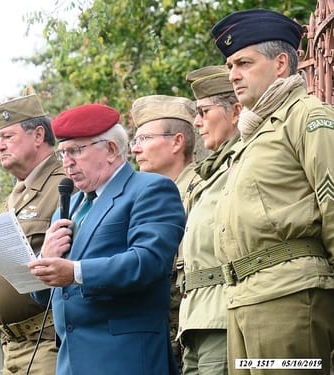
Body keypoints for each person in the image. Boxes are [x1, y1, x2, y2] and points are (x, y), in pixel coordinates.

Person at [211, 9, 334, 374]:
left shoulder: (308, 116)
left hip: (290, 297)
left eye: (244, 63)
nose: (233, 75)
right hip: (243, 298)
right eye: (231, 65)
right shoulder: (253, 133)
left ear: (281, 63)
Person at [27, 103, 186, 375]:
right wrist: (45, 259)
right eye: (62, 153)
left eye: (76, 150)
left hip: (126, 358)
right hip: (71, 361)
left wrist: (75, 271)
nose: (67, 162)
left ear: (111, 149)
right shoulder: (68, 207)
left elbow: (147, 262)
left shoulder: (150, 189)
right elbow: (45, 296)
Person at [0, 92, 66, 374]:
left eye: (7, 136)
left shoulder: (65, 186)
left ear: (39, 135)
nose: (0, 146)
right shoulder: (13, 198)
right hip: (12, 347)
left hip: (48, 341)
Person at [177, 65, 241, 375]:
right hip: (198, 317)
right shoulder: (211, 172)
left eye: (204, 111)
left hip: (223, 313)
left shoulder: (244, 163)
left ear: (235, 112)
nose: (197, 122)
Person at [129, 94, 197, 369]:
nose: (135, 149)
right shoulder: (142, 198)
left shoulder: (202, 190)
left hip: (191, 332)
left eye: (144, 139)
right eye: (135, 141)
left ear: (177, 141)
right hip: (162, 336)